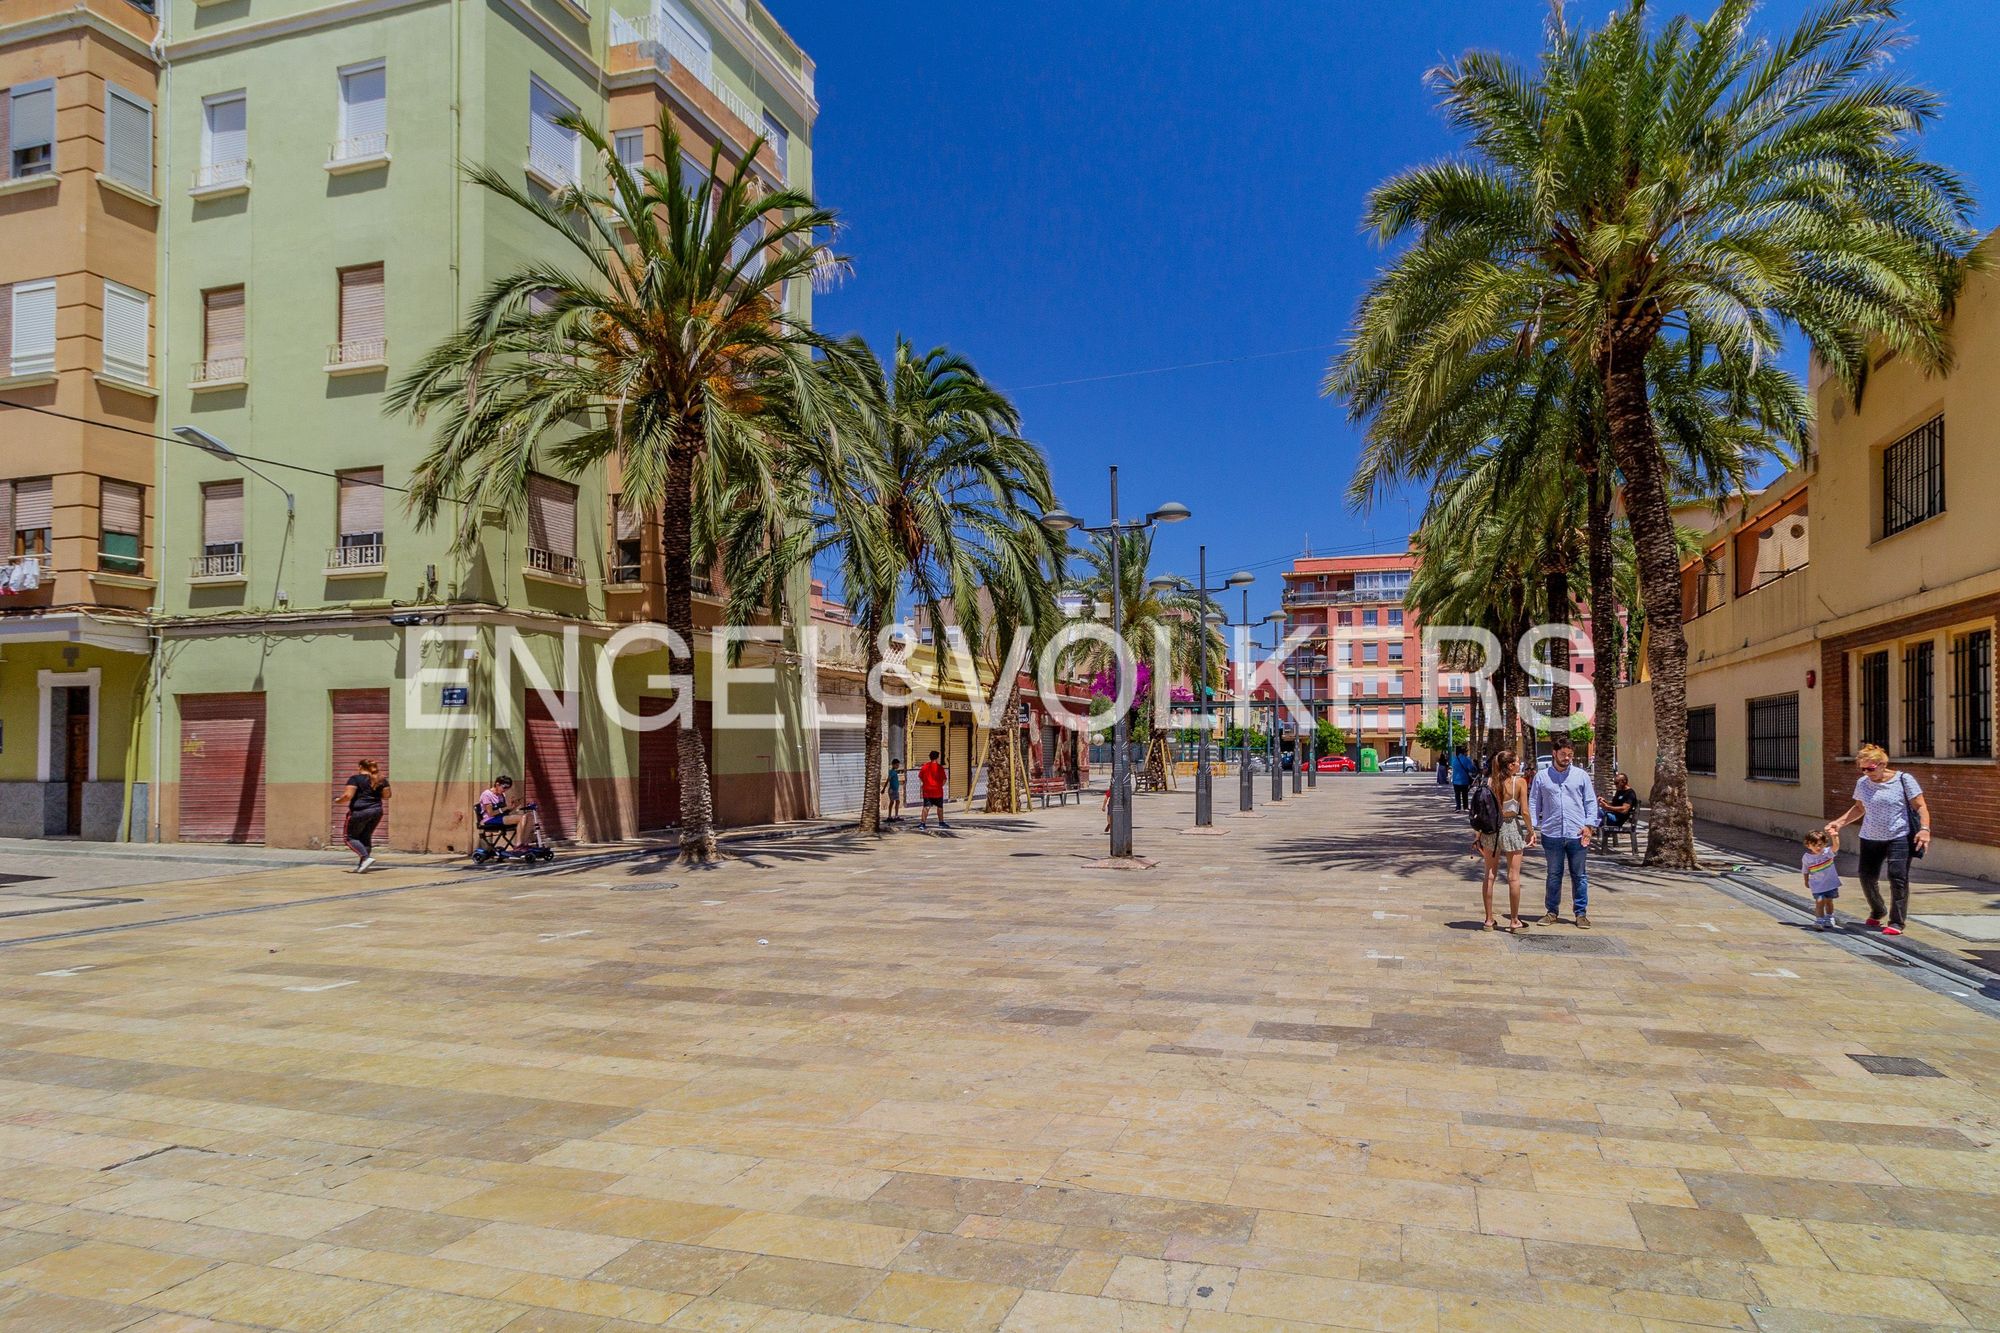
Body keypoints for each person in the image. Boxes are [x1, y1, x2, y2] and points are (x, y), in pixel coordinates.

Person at [1824, 743, 1932, 936]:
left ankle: (1896, 921)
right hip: (1870, 836)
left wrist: (1924, 829)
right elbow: (1859, 808)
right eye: (1863, 769)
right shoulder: (1862, 783)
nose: (1867, 773)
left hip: (1898, 836)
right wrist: (1839, 823)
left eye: (1870, 768)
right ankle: (1878, 909)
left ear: (1882, 764)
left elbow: (1920, 806)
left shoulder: (1903, 780)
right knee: (1866, 876)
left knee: (1897, 877)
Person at [1531, 737, 1601, 928]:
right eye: (1563, 754)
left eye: (1570, 754)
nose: (1567, 758)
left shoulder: (1581, 776)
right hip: (1552, 833)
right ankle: (1551, 912)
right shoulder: (1542, 777)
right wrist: (1532, 828)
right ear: (1554, 753)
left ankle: (1581, 914)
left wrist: (1589, 826)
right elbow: (1534, 802)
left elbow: (1590, 802)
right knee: (1554, 874)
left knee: (1579, 875)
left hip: (1577, 833)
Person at [1471, 749, 1533, 932]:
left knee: (1489, 875)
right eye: (1517, 762)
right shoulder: (1519, 782)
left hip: (1491, 829)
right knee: (1513, 877)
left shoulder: (1489, 782)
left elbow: (1482, 811)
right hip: (1512, 827)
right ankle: (1514, 921)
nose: (1519, 764)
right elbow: (1525, 811)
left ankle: (1489, 920)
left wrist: (1477, 835)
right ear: (1511, 765)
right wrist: (1531, 831)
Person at [333, 758, 389, 873]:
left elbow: (348, 796)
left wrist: (338, 800)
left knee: (349, 838)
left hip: (360, 811)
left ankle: (366, 858)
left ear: (360, 767)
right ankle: (362, 866)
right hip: (376, 811)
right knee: (365, 836)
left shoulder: (355, 779)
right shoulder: (382, 779)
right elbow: (387, 795)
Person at [476, 774, 537, 849]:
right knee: (521, 818)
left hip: (501, 817)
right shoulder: (487, 794)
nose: (505, 790)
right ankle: (518, 844)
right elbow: (490, 813)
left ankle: (524, 842)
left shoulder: (501, 795)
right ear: (497, 784)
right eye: (504, 787)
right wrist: (505, 808)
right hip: (489, 819)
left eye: (507, 788)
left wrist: (513, 807)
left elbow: (505, 811)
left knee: (529, 816)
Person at [1802, 828, 1841, 931]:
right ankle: (1819, 920)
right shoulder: (1807, 858)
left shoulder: (1827, 853)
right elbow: (1805, 870)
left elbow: (1836, 847)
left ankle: (1830, 917)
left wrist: (1834, 836)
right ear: (1808, 845)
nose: (1818, 847)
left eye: (1820, 844)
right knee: (1819, 901)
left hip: (1830, 883)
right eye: (1814, 845)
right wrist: (1806, 880)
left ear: (1824, 844)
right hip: (1817, 885)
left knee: (1829, 901)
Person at [917, 750, 950, 831]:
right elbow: (944, 779)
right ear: (937, 757)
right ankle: (941, 822)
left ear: (930, 757)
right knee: (940, 807)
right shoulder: (940, 768)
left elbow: (920, 776)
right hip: (938, 791)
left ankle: (922, 823)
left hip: (927, 791)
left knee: (926, 807)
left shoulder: (925, 766)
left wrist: (925, 783)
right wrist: (940, 786)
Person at [1449, 745, 1476, 812]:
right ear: (1464, 752)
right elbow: (1471, 769)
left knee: (1457, 794)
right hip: (1464, 780)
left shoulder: (1454, 759)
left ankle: (1458, 807)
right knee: (1465, 794)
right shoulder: (1466, 759)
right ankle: (1465, 807)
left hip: (1455, 780)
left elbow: (1452, 767)